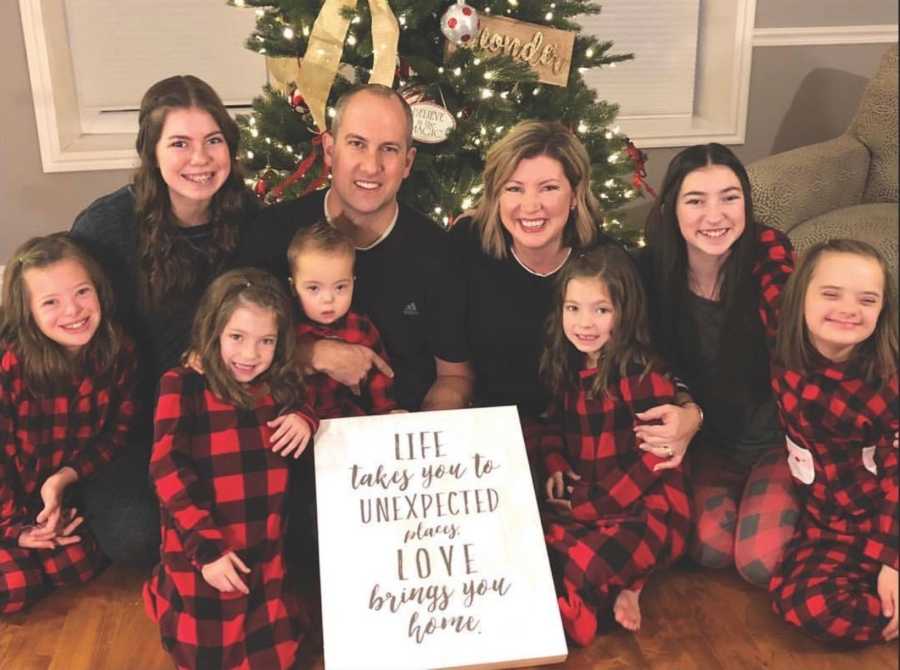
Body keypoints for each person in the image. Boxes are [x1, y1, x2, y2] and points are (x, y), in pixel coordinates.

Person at [70, 74, 258, 564]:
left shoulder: (253, 220)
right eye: (180, 143)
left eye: (213, 141)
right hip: (135, 420)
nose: (200, 159)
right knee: (137, 538)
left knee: (267, 522)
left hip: (224, 412)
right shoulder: (105, 228)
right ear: (151, 151)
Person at [450, 120, 700, 452]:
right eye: (513, 188)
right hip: (492, 429)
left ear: (574, 195)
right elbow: (449, 364)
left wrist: (691, 413)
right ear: (496, 196)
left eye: (548, 188)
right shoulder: (468, 245)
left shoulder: (607, 263)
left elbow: (652, 355)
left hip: (579, 434)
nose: (530, 206)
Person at [236, 83, 472, 411]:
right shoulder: (272, 233)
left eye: (389, 149)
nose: (371, 166)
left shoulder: (437, 252)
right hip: (290, 436)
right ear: (330, 150)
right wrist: (313, 352)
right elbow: (228, 348)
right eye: (357, 144)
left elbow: (454, 377)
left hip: (402, 435)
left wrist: (419, 434)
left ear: (408, 162)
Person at [638, 143, 798, 586]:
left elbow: (790, 334)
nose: (715, 216)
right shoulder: (651, 271)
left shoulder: (768, 254)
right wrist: (690, 409)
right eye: (696, 200)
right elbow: (651, 363)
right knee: (708, 549)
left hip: (774, 440)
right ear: (672, 208)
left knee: (759, 563)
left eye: (730, 197)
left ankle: (805, 513)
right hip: (708, 443)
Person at [144, 268, 316, 670]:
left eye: (266, 341)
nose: (250, 354)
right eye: (237, 337)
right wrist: (207, 549)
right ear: (213, 331)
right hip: (204, 541)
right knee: (204, 656)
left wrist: (306, 417)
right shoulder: (182, 384)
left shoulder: (279, 385)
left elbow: (309, 405)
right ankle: (164, 588)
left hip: (264, 547)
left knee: (281, 653)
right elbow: (166, 469)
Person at [532, 244, 691, 646]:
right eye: (574, 309)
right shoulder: (566, 363)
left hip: (643, 504)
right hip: (586, 499)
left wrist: (591, 505)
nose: (585, 323)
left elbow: (655, 459)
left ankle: (611, 590)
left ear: (625, 312)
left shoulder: (642, 376)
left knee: (587, 562)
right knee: (537, 546)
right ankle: (624, 584)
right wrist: (553, 462)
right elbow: (552, 424)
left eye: (601, 310)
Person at [769, 239, 898, 644]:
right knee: (793, 600)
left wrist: (892, 562)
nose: (848, 309)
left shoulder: (885, 385)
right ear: (799, 297)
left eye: (867, 299)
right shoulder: (784, 344)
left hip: (881, 519)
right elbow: (769, 265)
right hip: (825, 520)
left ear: (882, 311)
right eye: (830, 294)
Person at [0, 234, 136, 613]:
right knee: (14, 588)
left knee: (77, 567)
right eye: (51, 302)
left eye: (81, 292)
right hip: (6, 497)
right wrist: (15, 529)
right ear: (27, 313)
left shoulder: (118, 350)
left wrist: (64, 478)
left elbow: (116, 433)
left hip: (49, 493)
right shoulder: (11, 365)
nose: (73, 311)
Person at [287, 221, 398, 417]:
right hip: (289, 419)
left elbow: (379, 375)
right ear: (293, 287)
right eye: (314, 288)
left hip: (341, 420)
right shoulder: (286, 326)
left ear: (353, 283)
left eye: (340, 287)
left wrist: (385, 413)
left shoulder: (359, 326)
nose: (328, 299)